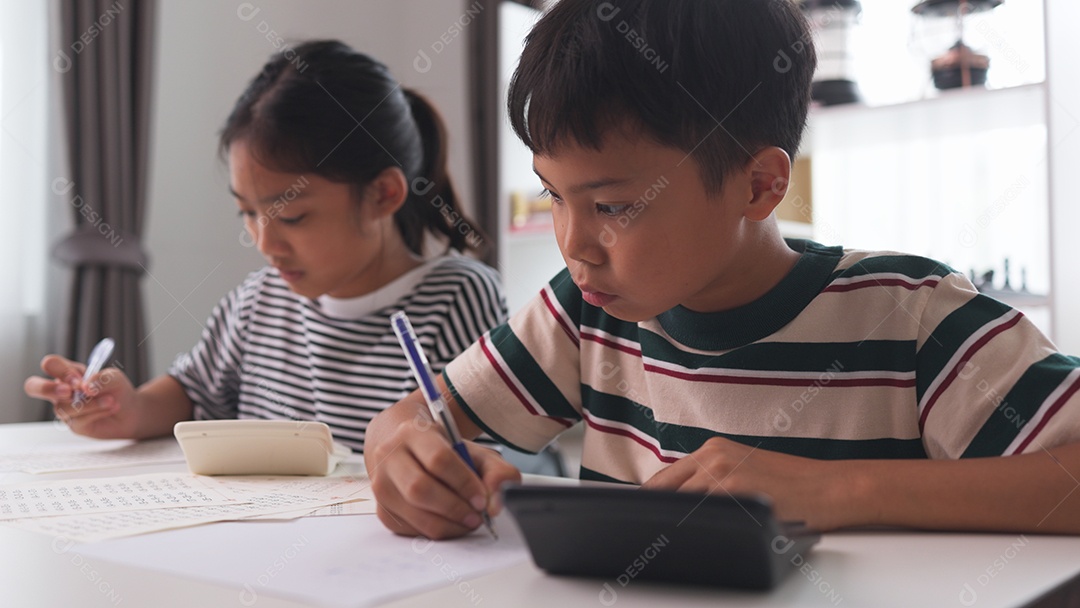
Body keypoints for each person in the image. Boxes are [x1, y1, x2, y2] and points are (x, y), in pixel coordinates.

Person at [363, 0, 1080, 539]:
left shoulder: (912, 314)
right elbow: (411, 420)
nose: (573, 244)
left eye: (614, 205)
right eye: (554, 196)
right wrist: (405, 454)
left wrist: (838, 491)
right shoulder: (584, 313)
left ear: (760, 185)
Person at [25, 40, 507, 451]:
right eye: (248, 213)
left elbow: (477, 461)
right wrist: (126, 409)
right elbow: (191, 394)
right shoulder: (259, 301)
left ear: (383, 194)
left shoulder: (458, 298)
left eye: (292, 215)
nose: (264, 242)